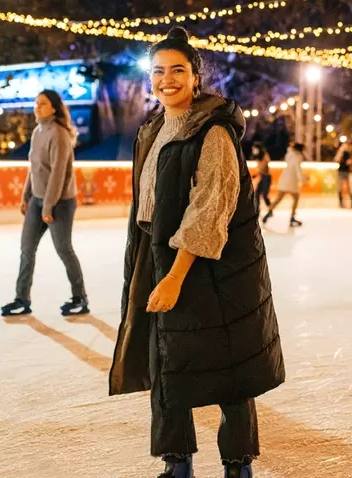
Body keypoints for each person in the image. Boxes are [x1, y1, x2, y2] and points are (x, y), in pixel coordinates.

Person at [108, 27, 285, 478]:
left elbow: (210, 210)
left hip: (214, 267)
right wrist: (148, 267)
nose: (167, 79)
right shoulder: (152, 130)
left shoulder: (214, 133)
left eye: (178, 71)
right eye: (158, 71)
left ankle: (237, 465)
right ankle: (177, 462)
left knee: (228, 365)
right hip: (159, 255)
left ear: (195, 77)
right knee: (164, 359)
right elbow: (148, 205)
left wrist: (174, 276)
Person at [0, 90, 89, 317]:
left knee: (63, 249)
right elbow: (34, 168)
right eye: (36, 102)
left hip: (60, 203)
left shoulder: (59, 134)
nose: (37, 107)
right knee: (26, 249)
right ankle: (22, 298)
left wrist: (49, 206)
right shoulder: (38, 131)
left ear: (54, 108)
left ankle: (80, 297)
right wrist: (26, 196)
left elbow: (59, 173)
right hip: (37, 200)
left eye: (43, 103)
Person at [261, 142, 306, 227]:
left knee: (279, 198)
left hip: (284, 179)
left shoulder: (289, 154)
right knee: (296, 198)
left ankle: (269, 212)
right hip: (292, 180)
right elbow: (297, 169)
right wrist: (303, 180)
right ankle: (292, 217)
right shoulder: (298, 157)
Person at [335, 143, 352, 208]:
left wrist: (350, 162)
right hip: (341, 171)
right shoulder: (340, 154)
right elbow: (336, 160)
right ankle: (341, 203)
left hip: (347, 172)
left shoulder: (350, 153)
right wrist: (340, 152)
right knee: (340, 188)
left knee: (349, 188)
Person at [251, 144, 272, 209]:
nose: (253, 150)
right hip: (263, 177)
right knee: (257, 193)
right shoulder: (258, 156)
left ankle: (270, 209)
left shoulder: (265, 155)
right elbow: (260, 167)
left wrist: (259, 172)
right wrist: (257, 173)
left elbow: (265, 166)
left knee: (264, 195)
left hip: (266, 177)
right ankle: (257, 208)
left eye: (254, 148)